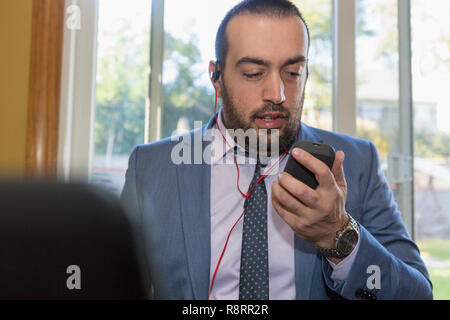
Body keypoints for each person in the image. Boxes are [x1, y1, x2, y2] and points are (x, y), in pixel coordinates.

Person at [121, 0, 432, 300]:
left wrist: (338, 237)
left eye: (293, 73)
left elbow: (417, 294)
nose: (278, 94)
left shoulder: (357, 163)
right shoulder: (151, 168)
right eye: (254, 74)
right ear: (216, 78)